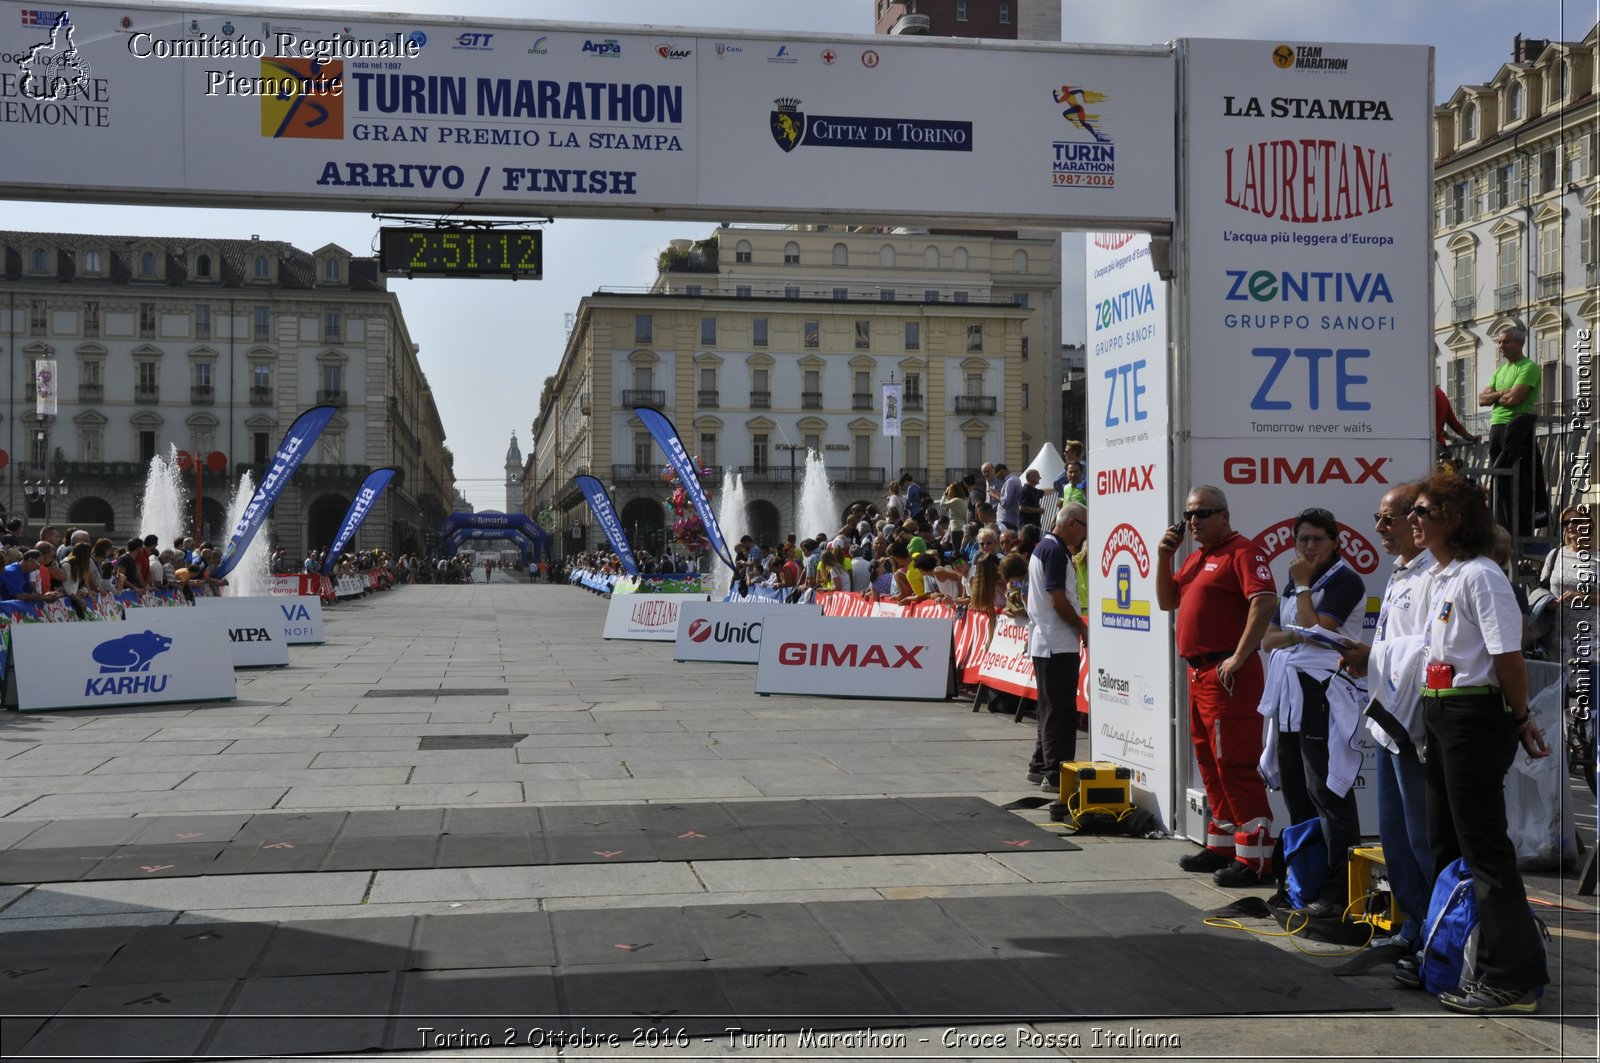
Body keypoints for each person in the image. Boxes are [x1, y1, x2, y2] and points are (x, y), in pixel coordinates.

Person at [1406, 471, 1551, 1013]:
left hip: (1474, 713)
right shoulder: (1443, 574)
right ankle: (1459, 954)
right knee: (1447, 844)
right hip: (1442, 711)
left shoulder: (1481, 575)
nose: (1413, 520)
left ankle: (1512, 979)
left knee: (1485, 849)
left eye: (1423, 510)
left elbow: (1509, 659)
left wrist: (1519, 718)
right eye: (1414, 511)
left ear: (1454, 518)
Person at [1338, 482, 1438, 981]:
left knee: (1423, 839)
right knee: (1396, 840)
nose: (1379, 528)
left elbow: (1429, 652)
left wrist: (1370, 657)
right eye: (1378, 519)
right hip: (1389, 724)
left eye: (1389, 518)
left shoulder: (1435, 577)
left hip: (1416, 730)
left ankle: (1439, 938)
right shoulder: (1401, 573)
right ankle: (1415, 926)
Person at [1156, 485, 1277, 884]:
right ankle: (1223, 845)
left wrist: (1240, 656)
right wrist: (1163, 557)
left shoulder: (1242, 552)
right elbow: (1166, 601)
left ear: (1224, 515)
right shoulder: (1196, 557)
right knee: (1210, 762)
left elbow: (1263, 601)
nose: (1194, 521)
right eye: (1190, 514)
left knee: (1235, 764)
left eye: (1203, 513)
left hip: (1227, 677)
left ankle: (1255, 858)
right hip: (1199, 674)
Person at [1257, 508, 1368, 916]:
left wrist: (1302, 589)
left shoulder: (1344, 580)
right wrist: (1295, 633)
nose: (1309, 546)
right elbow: (1269, 639)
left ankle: (1339, 892)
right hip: (1291, 694)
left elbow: (1319, 636)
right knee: (1296, 792)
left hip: (1325, 691)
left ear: (1335, 541)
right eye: (1302, 539)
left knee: (1328, 793)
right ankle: (1304, 881)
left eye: (1318, 539)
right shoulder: (1293, 581)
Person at [1026, 505, 1090, 790]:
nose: (1087, 534)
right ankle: (1055, 773)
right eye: (1085, 527)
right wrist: (1081, 626)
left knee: (1049, 708)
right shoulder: (1054, 550)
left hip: (1047, 641)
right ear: (1073, 524)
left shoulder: (1046, 547)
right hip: (1056, 642)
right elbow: (1058, 599)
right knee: (1060, 711)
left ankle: (1040, 765)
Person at [1478, 325, 1542, 535]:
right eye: (1499, 342)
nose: (1500, 346)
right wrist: (1501, 393)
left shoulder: (1528, 367)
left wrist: (1497, 395)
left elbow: (1514, 399)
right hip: (1497, 427)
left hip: (1517, 429)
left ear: (1520, 343)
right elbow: (1481, 400)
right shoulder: (1500, 370)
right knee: (1499, 478)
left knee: (1518, 480)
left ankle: (1520, 531)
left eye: (1505, 342)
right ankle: (1501, 527)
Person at [1434, 386, 1480, 460]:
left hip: (1429, 449)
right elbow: (1454, 423)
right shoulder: (1441, 395)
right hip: (1441, 449)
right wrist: (1469, 437)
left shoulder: (1427, 395)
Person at [995, 463, 1022, 532]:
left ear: (1002, 471)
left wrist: (994, 495)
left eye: (998, 476)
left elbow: (1006, 502)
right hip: (1011, 520)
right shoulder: (1015, 479)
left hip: (1007, 520)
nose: (999, 478)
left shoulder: (1010, 482)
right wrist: (997, 494)